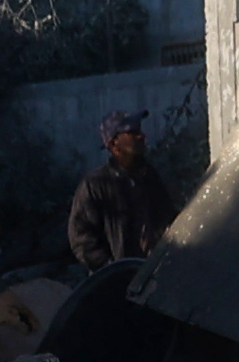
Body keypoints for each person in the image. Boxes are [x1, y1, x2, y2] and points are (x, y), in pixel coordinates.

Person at [66, 108, 174, 268]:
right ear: (113, 143)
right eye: (132, 132)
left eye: (140, 131)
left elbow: (169, 218)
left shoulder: (149, 177)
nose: (141, 136)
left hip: (154, 277)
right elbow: (82, 239)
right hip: (117, 285)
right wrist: (111, 269)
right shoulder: (95, 185)